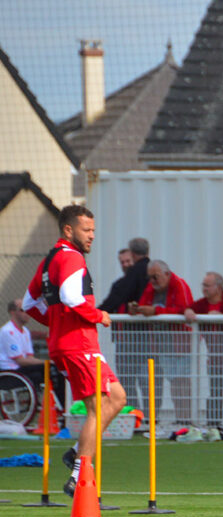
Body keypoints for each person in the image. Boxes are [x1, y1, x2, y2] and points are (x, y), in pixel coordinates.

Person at [23, 205, 127, 496]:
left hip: (66, 343)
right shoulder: (71, 257)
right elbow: (71, 296)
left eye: (93, 230)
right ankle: (79, 472)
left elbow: (29, 304)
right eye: (86, 230)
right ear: (68, 230)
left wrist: (55, 323)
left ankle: (74, 452)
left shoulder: (48, 262)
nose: (92, 235)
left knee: (117, 398)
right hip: (79, 344)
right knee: (99, 407)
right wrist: (98, 315)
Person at [130, 260, 194, 424]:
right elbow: (145, 304)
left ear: (166, 274)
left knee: (180, 381)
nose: (152, 281)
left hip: (179, 342)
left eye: (156, 277)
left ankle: (184, 419)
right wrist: (137, 309)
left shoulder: (179, 284)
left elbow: (184, 308)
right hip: (159, 343)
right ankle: (173, 419)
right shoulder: (152, 287)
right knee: (170, 381)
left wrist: (155, 311)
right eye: (150, 278)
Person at [184, 272, 223, 426]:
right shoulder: (202, 304)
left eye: (207, 285)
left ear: (218, 287)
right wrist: (188, 311)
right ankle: (213, 425)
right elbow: (187, 309)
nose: (203, 288)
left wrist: (221, 315)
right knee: (215, 393)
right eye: (203, 285)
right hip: (215, 360)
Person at [99, 237, 150, 409]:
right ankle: (133, 412)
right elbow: (111, 303)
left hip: (143, 338)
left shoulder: (139, 276)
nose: (126, 264)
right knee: (127, 378)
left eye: (128, 260)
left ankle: (150, 417)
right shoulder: (120, 284)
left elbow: (112, 302)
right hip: (123, 340)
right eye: (122, 262)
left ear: (133, 257)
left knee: (146, 380)